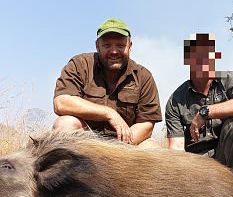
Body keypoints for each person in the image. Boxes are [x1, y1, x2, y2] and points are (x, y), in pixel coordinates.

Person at [165, 33, 233, 196]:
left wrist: (206, 112)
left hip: (229, 161)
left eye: (206, 54)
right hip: (199, 168)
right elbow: (176, 151)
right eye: (196, 55)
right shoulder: (175, 100)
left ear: (215, 57)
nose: (202, 59)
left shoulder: (230, 79)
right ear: (187, 60)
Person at [53, 18, 162, 147]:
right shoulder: (79, 65)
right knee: (65, 124)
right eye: (107, 45)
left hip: (125, 146)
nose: (114, 51)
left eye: (121, 46)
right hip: (87, 144)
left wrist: (117, 149)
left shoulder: (143, 76)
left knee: (152, 147)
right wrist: (109, 113)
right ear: (97, 46)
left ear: (130, 46)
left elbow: (147, 124)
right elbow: (61, 103)